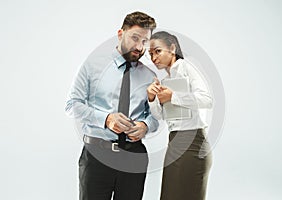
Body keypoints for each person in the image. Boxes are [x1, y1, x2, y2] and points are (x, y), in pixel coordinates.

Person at [65, 11, 159, 200]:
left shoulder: (149, 76)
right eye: (135, 38)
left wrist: (146, 126)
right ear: (120, 34)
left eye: (145, 42)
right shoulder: (93, 66)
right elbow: (72, 105)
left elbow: (157, 116)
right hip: (97, 156)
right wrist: (106, 119)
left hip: (134, 157)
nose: (139, 47)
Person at [147, 31, 213, 200]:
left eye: (158, 51)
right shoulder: (166, 81)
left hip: (192, 144)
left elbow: (207, 100)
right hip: (174, 143)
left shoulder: (187, 67)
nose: (154, 57)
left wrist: (173, 97)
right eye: (151, 53)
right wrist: (152, 98)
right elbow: (161, 116)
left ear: (172, 48)